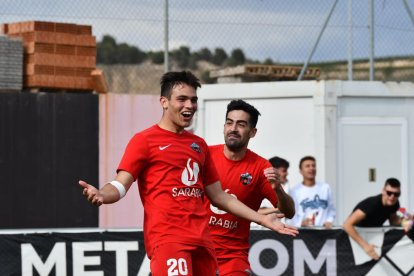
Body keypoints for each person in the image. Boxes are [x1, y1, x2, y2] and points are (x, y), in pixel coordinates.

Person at [78, 71, 298, 276]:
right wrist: (102, 195)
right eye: (182, 99)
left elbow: (220, 197)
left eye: (193, 100)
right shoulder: (144, 140)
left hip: (203, 242)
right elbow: (120, 184)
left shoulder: (198, 145)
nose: (190, 105)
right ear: (164, 102)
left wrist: (263, 219)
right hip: (169, 240)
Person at [205, 99, 296, 276]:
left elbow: (289, 211)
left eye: (241, 124)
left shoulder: (261, 167)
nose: (233, 128)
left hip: (232, 255)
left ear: (252, 132)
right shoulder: (205, 155)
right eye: (229, 123)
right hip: (198, 247)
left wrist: (278, 189)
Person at [343, 178, 403, 260]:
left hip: (373, 241)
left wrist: (408, 221)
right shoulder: (372, 204)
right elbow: (347, 225)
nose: (392, 197)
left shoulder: (394, 204)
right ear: (383, 191)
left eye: (396, 194)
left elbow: (394, 222)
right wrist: (365, 246)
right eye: (389, 193)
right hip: (355, 240)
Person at [289, 155, 336, 228]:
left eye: (313, 166)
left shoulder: (325, 188)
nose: (311, 168)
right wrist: (300, 223)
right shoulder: (294, 191)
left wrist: (329, 221)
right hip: (303, 233)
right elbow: (291, 214)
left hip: (323, 232)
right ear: (301, 171)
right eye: (307, 166)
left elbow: (331, 209)